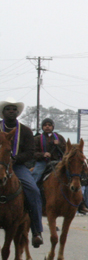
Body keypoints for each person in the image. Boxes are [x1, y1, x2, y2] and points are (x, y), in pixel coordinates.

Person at [0, 98, 44, 247]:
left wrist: (15, 159)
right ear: (3, 112)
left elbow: (30, 152)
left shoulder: (25, 130)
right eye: (8, 109)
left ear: (17, 113)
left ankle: (36, 231)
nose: (11, 111)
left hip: (17, 166)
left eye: (14, 109)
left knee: (33, 190)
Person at [32, 117, 66, 182]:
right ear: (42, 127)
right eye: (45, 125)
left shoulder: (59, 137)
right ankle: (32, 187)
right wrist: (43, 154)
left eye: (49, 125)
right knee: (35, 174)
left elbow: (66, 150)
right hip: (43, 162)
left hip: (58, 161)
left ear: (52, 127)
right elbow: (32, 153)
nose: (47, 126)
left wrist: (59, 144)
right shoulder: (37, 139)